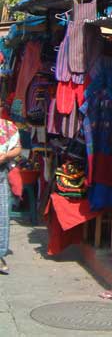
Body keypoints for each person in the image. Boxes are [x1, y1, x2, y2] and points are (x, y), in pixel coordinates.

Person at [0, 116, 21, 274]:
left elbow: (17, 148)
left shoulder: (8, 126)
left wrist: (6, 156)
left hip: (1, 175)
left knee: (1, 215)